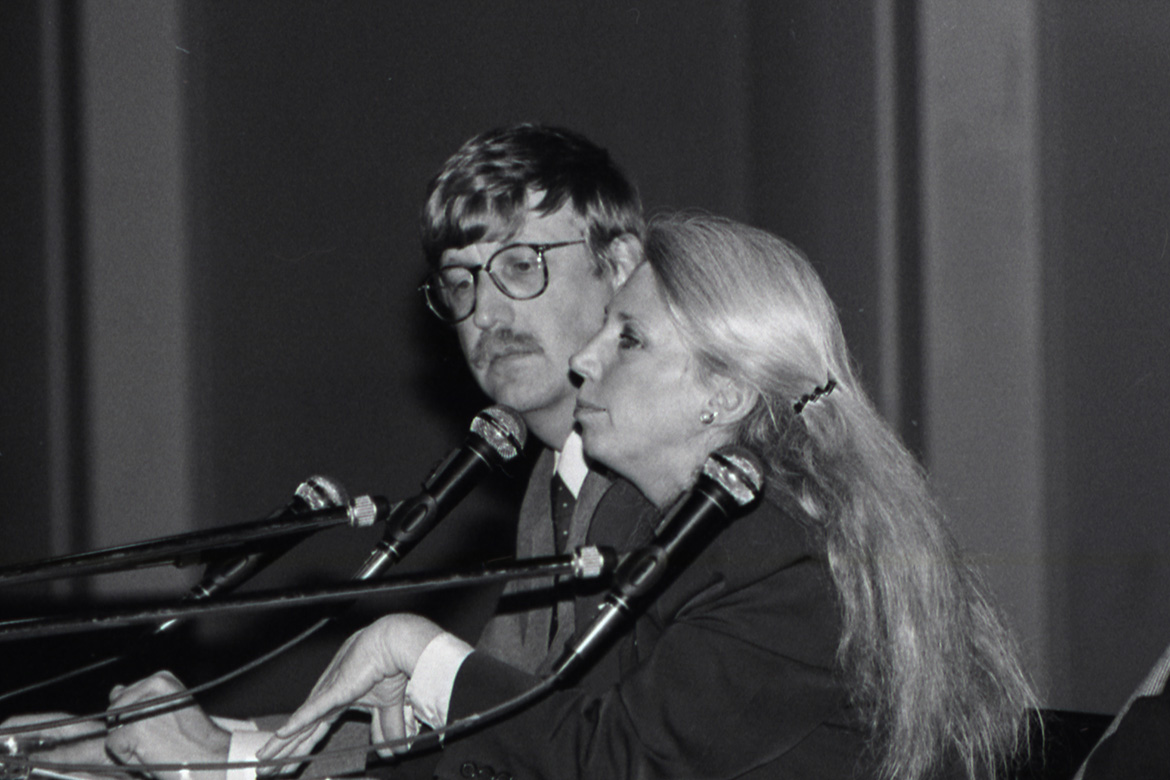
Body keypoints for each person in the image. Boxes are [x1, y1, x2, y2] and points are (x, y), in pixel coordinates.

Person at [254, 213, 1039, 779]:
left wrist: (416, 651)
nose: (585, 361)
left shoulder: (774, 546)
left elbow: (621, 762)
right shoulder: (669, 524)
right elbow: (560, 736)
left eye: (626, 339)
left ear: (725, 392)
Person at [0, 124, 647, 778]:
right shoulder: (553, 478)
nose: (486, 314)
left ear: (618, 267)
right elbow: (467, 732)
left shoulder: (651, 483)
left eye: (519, 266)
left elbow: (561, 756)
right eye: (460, 281)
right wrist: (125, 747)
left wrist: (217, 759)